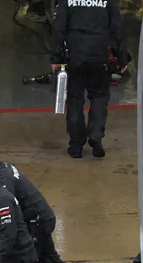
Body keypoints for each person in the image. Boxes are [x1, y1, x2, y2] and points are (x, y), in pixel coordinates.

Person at [51, 0, 126, 158]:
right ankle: (96, 135)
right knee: (99, 96)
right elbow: (117, 28)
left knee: (75, 99)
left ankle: (76, 145)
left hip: (75, 56)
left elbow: (59, 27)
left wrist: (56, 57)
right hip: (99, 56)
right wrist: (122, 57)